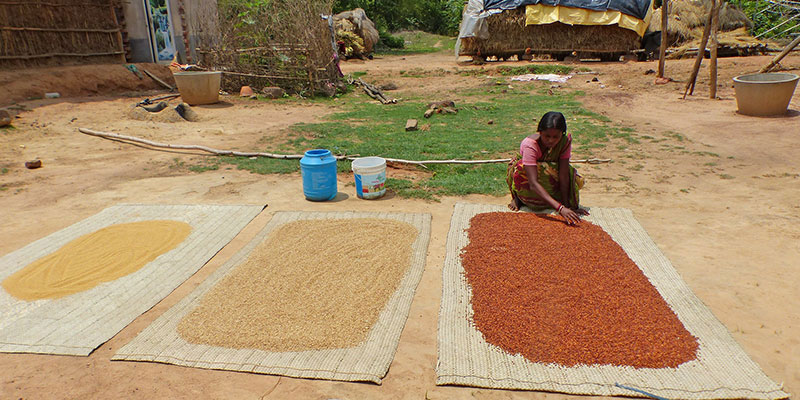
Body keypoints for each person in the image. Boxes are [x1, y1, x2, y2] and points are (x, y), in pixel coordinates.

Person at [506, 111, 588, 224]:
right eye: (547, 136)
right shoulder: (530, 145)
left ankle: (553, 201)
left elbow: (563, 174)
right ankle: (519, 199)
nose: (551, 140)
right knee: (527, 168)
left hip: (548, 179)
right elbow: (533, 183)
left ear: (562, 134)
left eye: (556, 137)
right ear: (540, 132)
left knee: (572, 175)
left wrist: (567, 205)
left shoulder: (564, 142)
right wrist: (560, 208)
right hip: (529, 183)